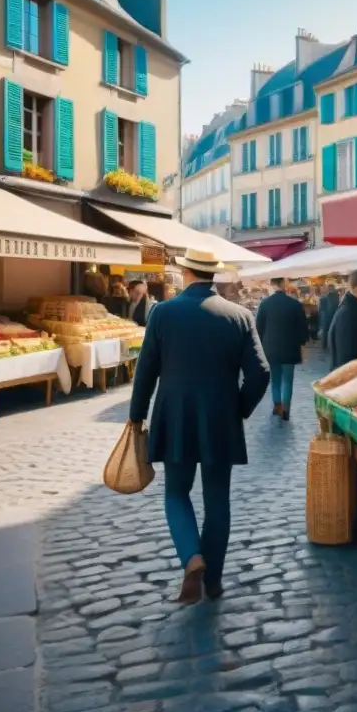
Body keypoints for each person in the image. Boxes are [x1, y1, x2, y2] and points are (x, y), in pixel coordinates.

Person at [128, 249, 270, 604]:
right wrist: (237, 408)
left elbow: (146, 370)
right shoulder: (239, 315)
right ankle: (215, 580)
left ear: (184, 271)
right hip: (221, 418)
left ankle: (192, 558)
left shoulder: (163, 312)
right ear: (214, 275)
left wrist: (136, 415)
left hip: (174, 415)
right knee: (217, 498)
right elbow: (260, 373)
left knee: (176, 492)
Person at [255, 278, 309, 421]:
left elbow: (258, 328)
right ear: (284, 285)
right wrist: (302, 343)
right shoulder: (295, 304)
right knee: (288, 380)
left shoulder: (265, 304)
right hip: (290, 348)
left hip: (270, 349)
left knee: (275, 379)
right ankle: (286, 409)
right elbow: (303, 328)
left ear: (272, 285)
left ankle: (277, 406)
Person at [317, 285, 340, 350]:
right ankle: (330, 345)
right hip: (331, 316)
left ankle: (324, 346)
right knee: (331, 331)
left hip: (326, 316)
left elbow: (321, 309)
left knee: (325, 331)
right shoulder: (335, 296)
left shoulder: (324, 298)